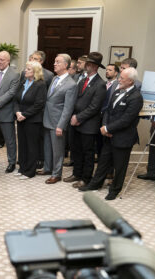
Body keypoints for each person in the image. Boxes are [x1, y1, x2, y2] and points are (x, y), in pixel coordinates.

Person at [79, 67, 143, 200]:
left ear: (130, 81)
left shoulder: (136, 97)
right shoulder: (117, 91)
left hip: (123, 137)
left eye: (122, 78)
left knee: (120, 166)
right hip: (109, 134)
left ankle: (115, 190)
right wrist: (105, 126)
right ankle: (95, 184)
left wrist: (108, 129)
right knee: (103, 161)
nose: (119, 80)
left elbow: (127, 119)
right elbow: (108, 111)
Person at [64, 52, 106, 188]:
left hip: (88, 124)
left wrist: (79, 117)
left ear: (94, 66)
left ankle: (86, 179)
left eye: (87, 63)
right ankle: (77, 173)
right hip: (75, 122)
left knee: (87, 153)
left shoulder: (100, 84)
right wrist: (72, 116)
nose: (84, 65)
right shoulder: (82, 80)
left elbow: (94, 107)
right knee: (75, 150)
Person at [39, 53, 77, 184]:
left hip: (57, 122)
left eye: (57, 62)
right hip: (47, 118)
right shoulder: (55, 79)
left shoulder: (71, 84)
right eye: (55, 61)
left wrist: (61, 125)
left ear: (65, 65)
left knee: (58, 150)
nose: (54, 64)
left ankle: (56, 174)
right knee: (48, 147)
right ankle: (48, 168)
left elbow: (68, 108)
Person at [14, 61, 47, 179]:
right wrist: (17, 112)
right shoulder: (23, 82)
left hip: (32, 120)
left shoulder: (40, 84)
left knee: (31, 146)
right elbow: (16, 99)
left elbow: (39, 104)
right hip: (20, 118)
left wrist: (25, 114)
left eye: (28, 69)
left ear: (35, 72)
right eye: (26, 68)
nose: (25, 71)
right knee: (22, 144)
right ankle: (22, 168)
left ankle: (30, 171)